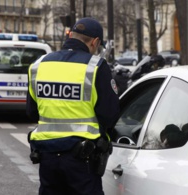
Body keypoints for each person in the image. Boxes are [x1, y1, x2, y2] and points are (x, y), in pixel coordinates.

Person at [26, 17, 120, 195]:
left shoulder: (39, 65)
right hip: (82, 158)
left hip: (47, 156)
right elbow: (109, 114)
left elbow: (32, 112)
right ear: (95, 42)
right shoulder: (96, 67)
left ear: (70, 35)